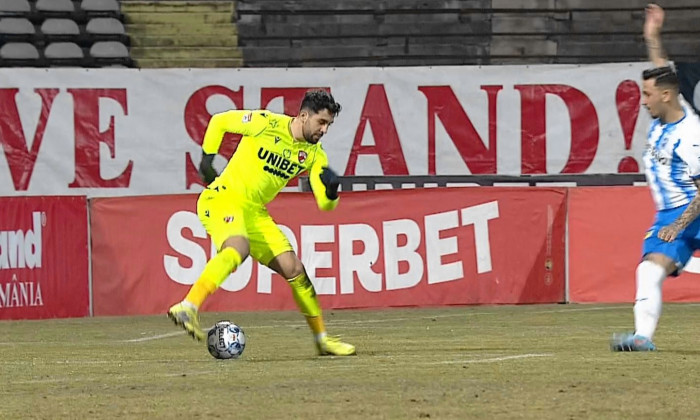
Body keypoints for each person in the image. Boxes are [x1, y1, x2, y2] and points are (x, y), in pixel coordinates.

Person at [168, 89, 356, 356]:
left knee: (295, 270)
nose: (325, 130)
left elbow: (324, 203)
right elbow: (220, 121)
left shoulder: (315, 155)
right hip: (223, 198)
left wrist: (332, 192)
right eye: (321, 122)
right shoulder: (266, 124)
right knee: (238, 246)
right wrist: (207, 158)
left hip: (255, 212)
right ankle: (188, 306)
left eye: (329, 125)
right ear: (304, 116)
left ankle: (322, 340)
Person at [610, 4, 700, 351]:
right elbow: (663, 70)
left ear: (665, 96)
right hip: (671, 214)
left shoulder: (690, 135)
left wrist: (677, 228)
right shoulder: (667, 110)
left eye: (646, 94)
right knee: (649, 271)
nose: (643, 100)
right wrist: (652, 36)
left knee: (649, 269)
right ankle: (641, 339)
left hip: (688, 210)